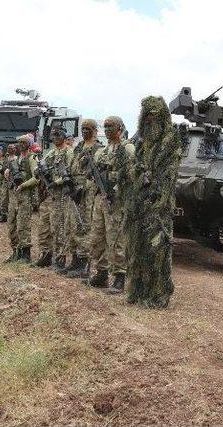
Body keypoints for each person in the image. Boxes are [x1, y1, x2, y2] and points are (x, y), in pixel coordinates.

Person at [125, 96, 181, 308]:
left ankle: (159, 295)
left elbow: (169, 173)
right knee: (136, 248)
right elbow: (131, 166)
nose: (150, 119)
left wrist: (156, 194)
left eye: (155, 114)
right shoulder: (141, 140)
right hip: (137, 202)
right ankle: (137, 290)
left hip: (159, 204)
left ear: (163, 115)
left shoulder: (170, 139)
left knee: (157, 250)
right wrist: (137, 176)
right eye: (147, 114)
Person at [88, 116, 135, 294]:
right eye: (105, 126)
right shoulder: (102, 151)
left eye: (111, 126)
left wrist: (117, 186)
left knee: (116, 238)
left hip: (117, 199)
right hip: (101, 198)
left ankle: (120, 276)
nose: (107, 129)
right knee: (98, 236)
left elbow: (132, 173)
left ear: (120, 128)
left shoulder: (127, 148)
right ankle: (102, 273)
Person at [59, 119, 103, 279]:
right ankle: (75, 260)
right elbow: (71, 167)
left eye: (88, 129)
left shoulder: (98, 148)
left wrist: (83, 188)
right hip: (74, 191)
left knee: (84, 226)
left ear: (94, 130)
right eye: (83, 128)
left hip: (87, 193)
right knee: (72, 224)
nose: (85, 131)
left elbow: (96, 174)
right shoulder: (78, 147)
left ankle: (84, 262)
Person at [33, 126, 73, 270]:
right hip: (51, 194)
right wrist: (39, 171)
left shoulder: (69, 152)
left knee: (59, 226)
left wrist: (57, 181)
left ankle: (60, 256)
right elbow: (42, 165)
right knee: (45, 225)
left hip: (62, 193)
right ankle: (46, 254)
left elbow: (70, 174)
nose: (55, 137)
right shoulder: (52, 152)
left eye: (58, 135)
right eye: (54, 135)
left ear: (64, 136)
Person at [11, 135, 39, 262]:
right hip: (15, 195)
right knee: (12, 224)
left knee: (24, 225)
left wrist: (23, 185)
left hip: (26, 195)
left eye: (24, 142)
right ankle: (15, 251)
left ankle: (26, 254)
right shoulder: (16, 159)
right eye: (19, 142)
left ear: (29, 144)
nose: (21, 144)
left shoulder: (32, 158)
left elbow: (36, 178)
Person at [4, 144, 21, 261]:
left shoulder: (19, 160)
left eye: (13, 148)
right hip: (10, 192)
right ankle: (15, 250)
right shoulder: (7, 160)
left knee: (18, 224)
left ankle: (21, 252)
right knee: (11, 223)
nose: (11, 150)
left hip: (19, 195)